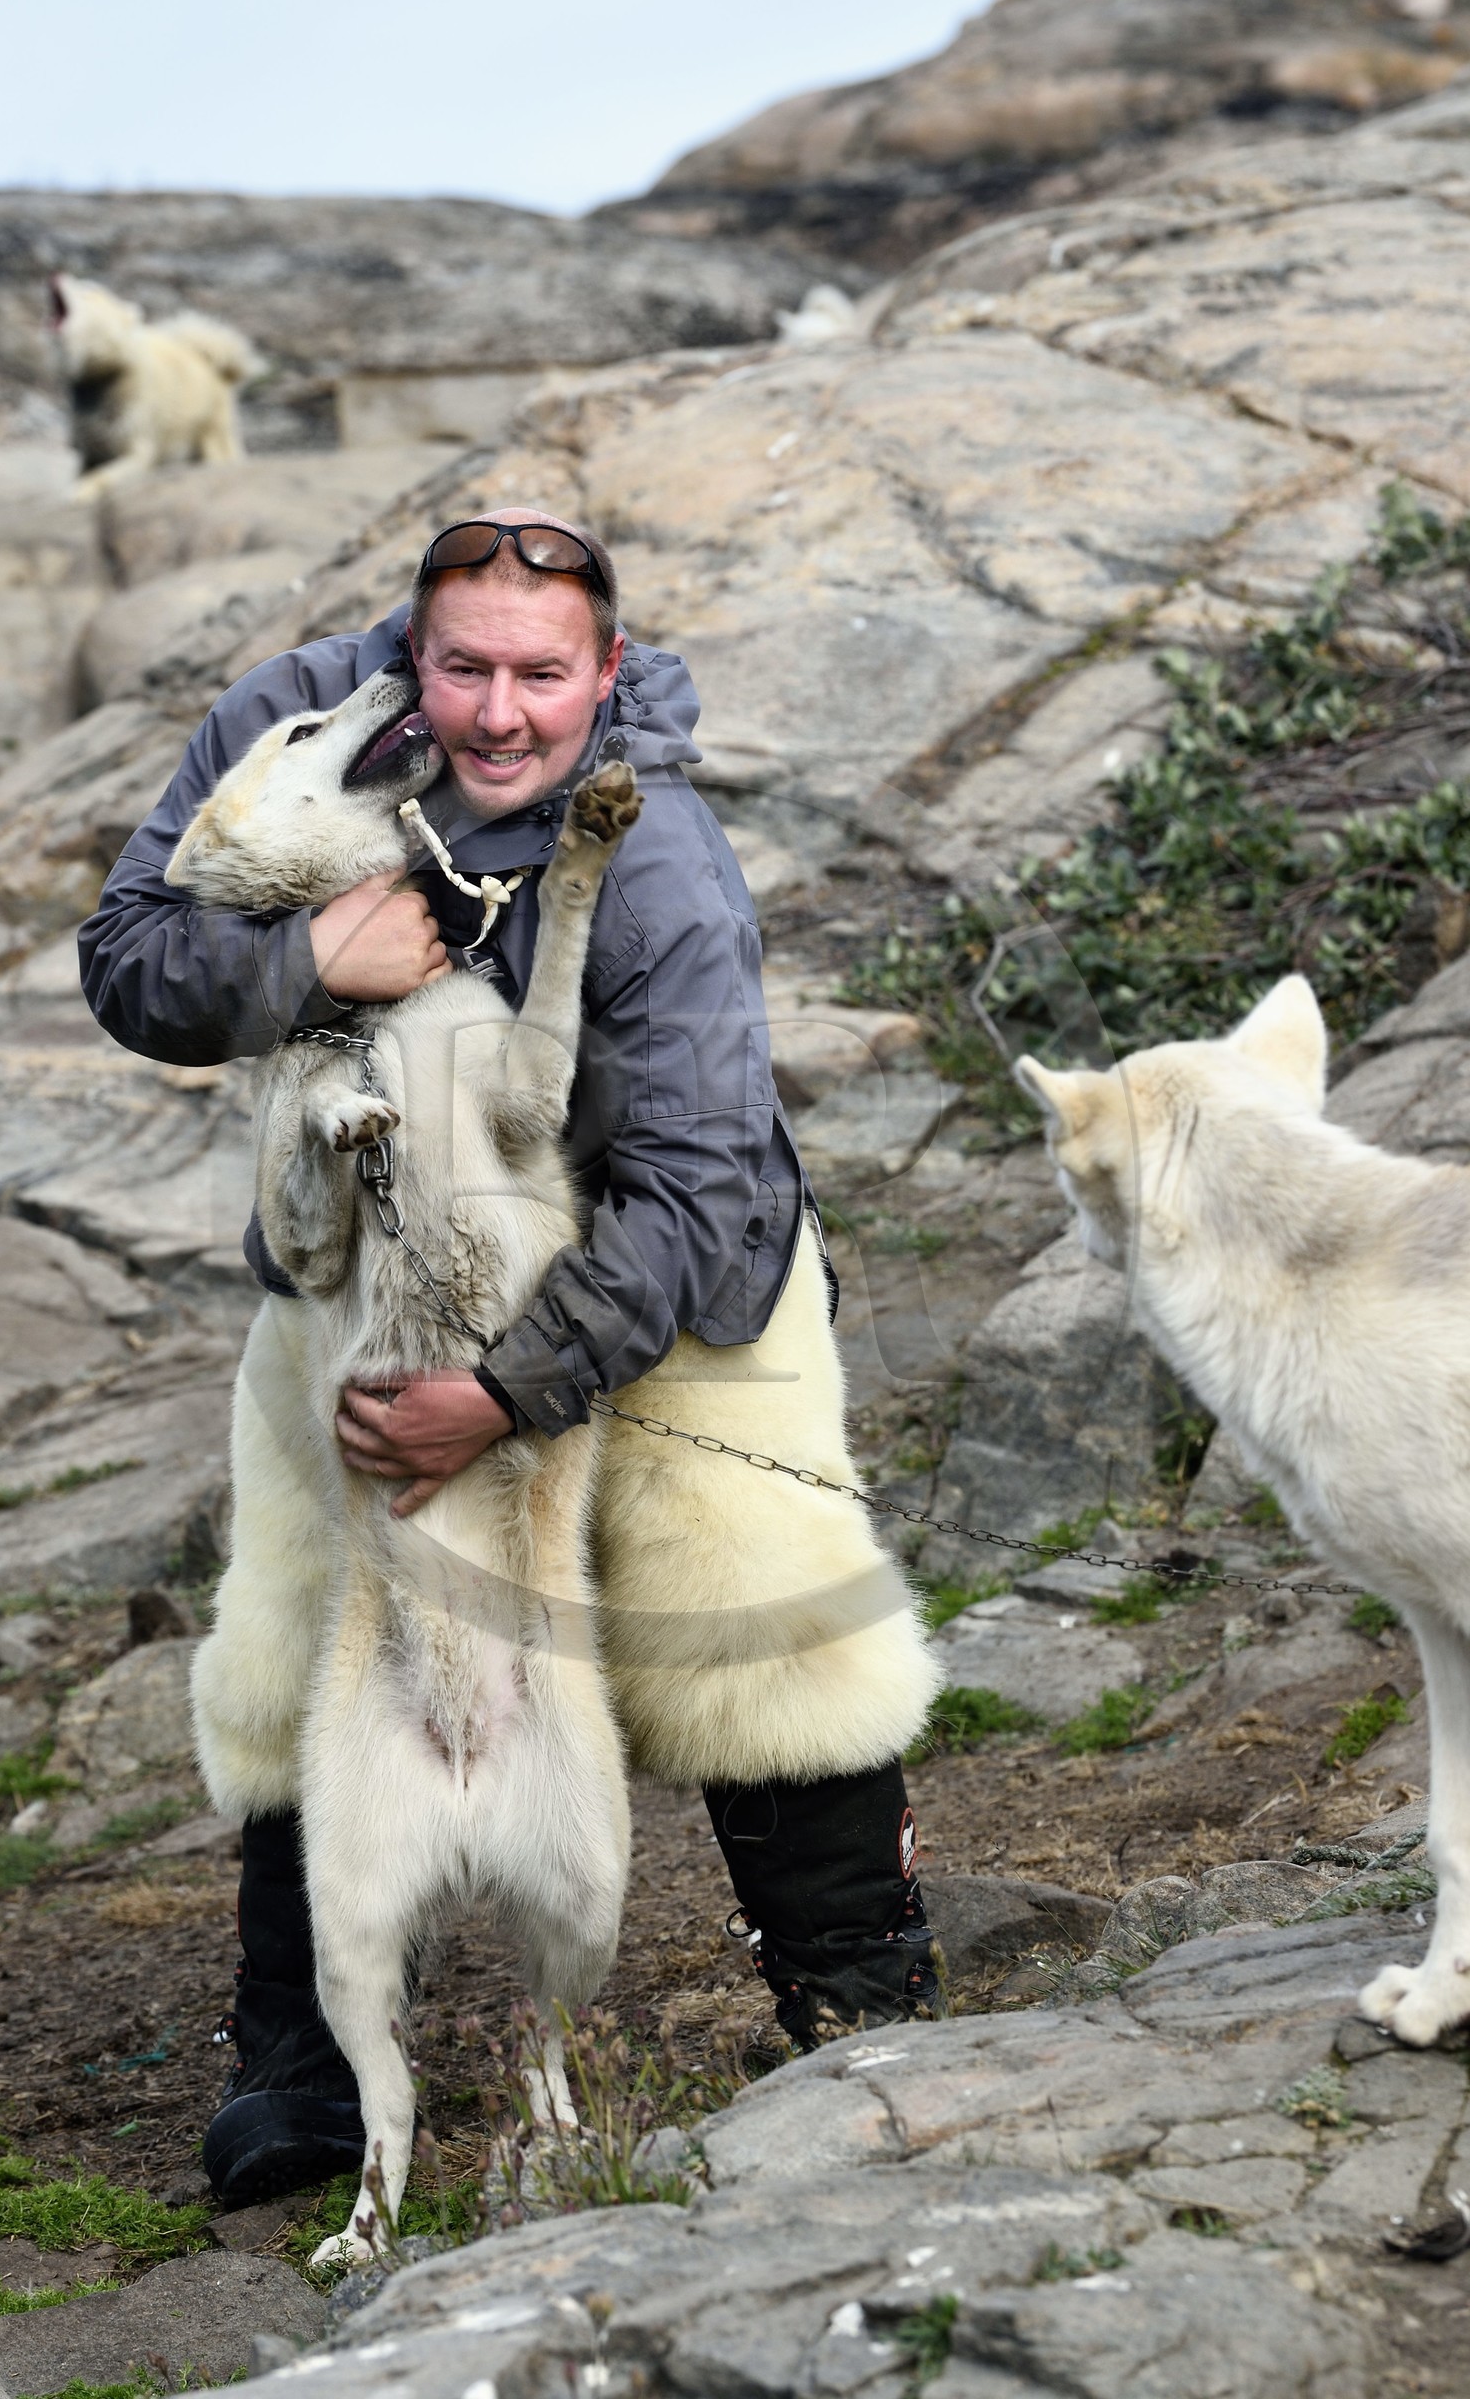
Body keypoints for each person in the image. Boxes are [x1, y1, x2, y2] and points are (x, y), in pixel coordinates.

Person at [79, 509, 942, 2203]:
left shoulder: (662, 853)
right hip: (362, 1272)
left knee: (759, 1605)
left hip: (663, 1265)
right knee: (298, 1615)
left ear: (604, 670)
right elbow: (126, 961)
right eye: (461, 665)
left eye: (541, 674)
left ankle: (858, 1996)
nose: (495, 711)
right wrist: (302, 960)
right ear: (412, 649)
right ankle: (305, 2052)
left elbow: (693, 1176)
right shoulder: (294, 728)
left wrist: (507, 1397)